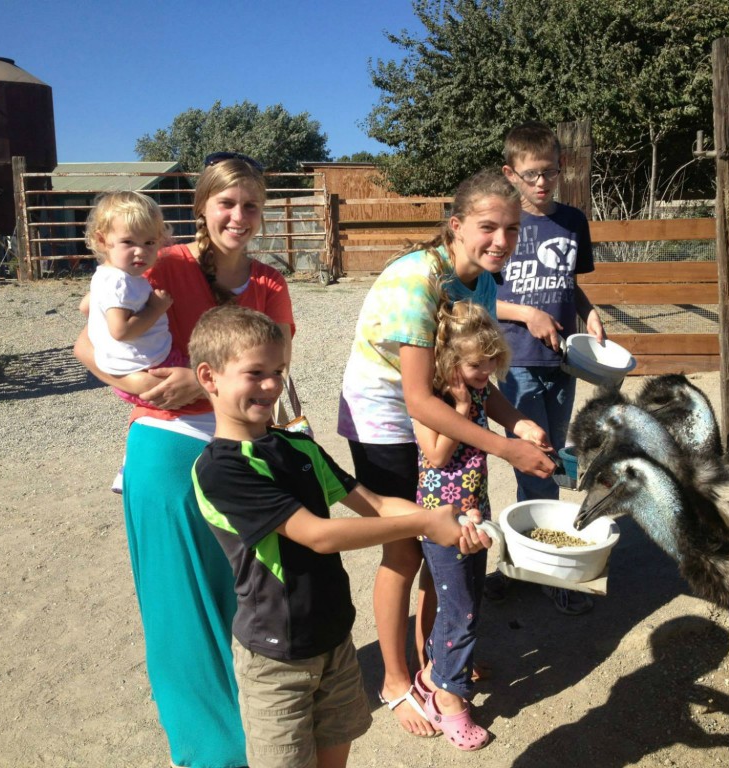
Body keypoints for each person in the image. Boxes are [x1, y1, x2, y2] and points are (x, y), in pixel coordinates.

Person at [189, 305, 491, 768]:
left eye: (278, 371)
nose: (271, 386)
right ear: (209, 377)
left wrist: (445, 522)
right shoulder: (221, 469)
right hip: (276, 658)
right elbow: (318, 535)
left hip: (335, 639)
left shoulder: (297, 447)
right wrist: (425, 524)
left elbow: (373, 502)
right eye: (255, 373)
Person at [73, 151, 292, 768]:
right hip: (167, 449)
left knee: (247, 599)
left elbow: (277, 368)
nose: (239, 216)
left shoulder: (269, 283)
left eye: (251, 204)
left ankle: (250, 729)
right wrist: (140, 386)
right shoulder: (159, 263)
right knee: (180, 612)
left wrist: (201, 384)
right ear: (202, 207)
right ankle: (211, 754)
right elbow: (87, 341)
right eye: (227, 202)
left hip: (242, 449)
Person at [337, 168, 554, 738]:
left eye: (511, 230)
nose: (501, 241)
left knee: (447, 544)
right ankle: (393, 678)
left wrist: (518, 420)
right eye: (488, 227)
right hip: (384, 412)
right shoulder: (418, 283)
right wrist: (506, 449)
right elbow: (418, 399)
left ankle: (440, 659)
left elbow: (475, 376)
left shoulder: (481, 279)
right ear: (455, 226)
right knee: (406, 550)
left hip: (440, 405)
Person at [494, 121, 607, 615]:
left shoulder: (573, 221)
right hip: (514, 359)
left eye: (551, 172)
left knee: (550, 456)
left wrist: (590, 312)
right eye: (532, 174)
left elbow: (569, 283)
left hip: (561, 361)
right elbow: (478, 298)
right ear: (511, 174)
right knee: (537, 460)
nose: (542, 183)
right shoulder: (502, 223)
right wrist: (527, 314)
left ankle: (525, 557)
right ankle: (543, 568)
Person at [411, 300, 516, 751]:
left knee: (468, 600)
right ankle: (448, 698)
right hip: (442, 520)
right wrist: (457, 404)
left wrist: (521, 426)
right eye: (477, 363)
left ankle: (439, 670)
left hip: (475, 511)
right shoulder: (430, 400)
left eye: (492, 360)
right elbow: (435, 454)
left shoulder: (479, 390)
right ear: (450, 361)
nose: (485, 370)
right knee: (462, 609)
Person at [83, 191, 177, 405]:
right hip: (147, 366)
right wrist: (156, 308)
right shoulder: (120, 282)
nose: (140, 251)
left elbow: (84, 307)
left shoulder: (104, 275)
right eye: (128, 242)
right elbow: (120, 331)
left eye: (149, 243)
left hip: (123, 369)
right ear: (102, 240)